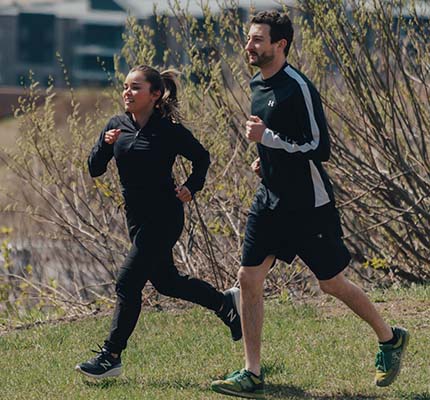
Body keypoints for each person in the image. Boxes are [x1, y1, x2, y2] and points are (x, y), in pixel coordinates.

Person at [211, 10, 409, 398]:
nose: (248, 46)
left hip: (307, 204)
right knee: (248, 278)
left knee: (330, 283)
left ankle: (390, 339)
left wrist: (268, 141)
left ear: (280, 45)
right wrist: (265, 161)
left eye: (257, 40)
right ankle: (252, 372)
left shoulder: (298, 87)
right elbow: (282, 143)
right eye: (249, 39)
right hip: (269, 197)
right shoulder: (257, 83)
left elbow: (320, 148)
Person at [75, 65, 241, 379]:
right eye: (125, 87)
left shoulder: (168, 130)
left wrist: (191, 188)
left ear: (155, 94)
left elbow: (201, 157)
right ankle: (225, 305)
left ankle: (110, 356)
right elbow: (95, 168)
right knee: (166, 283)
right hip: (136, 219)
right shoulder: (116, 126)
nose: (127, 92)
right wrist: (104, 145)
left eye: (135, 87)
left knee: (127, 283)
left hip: (164, 216)